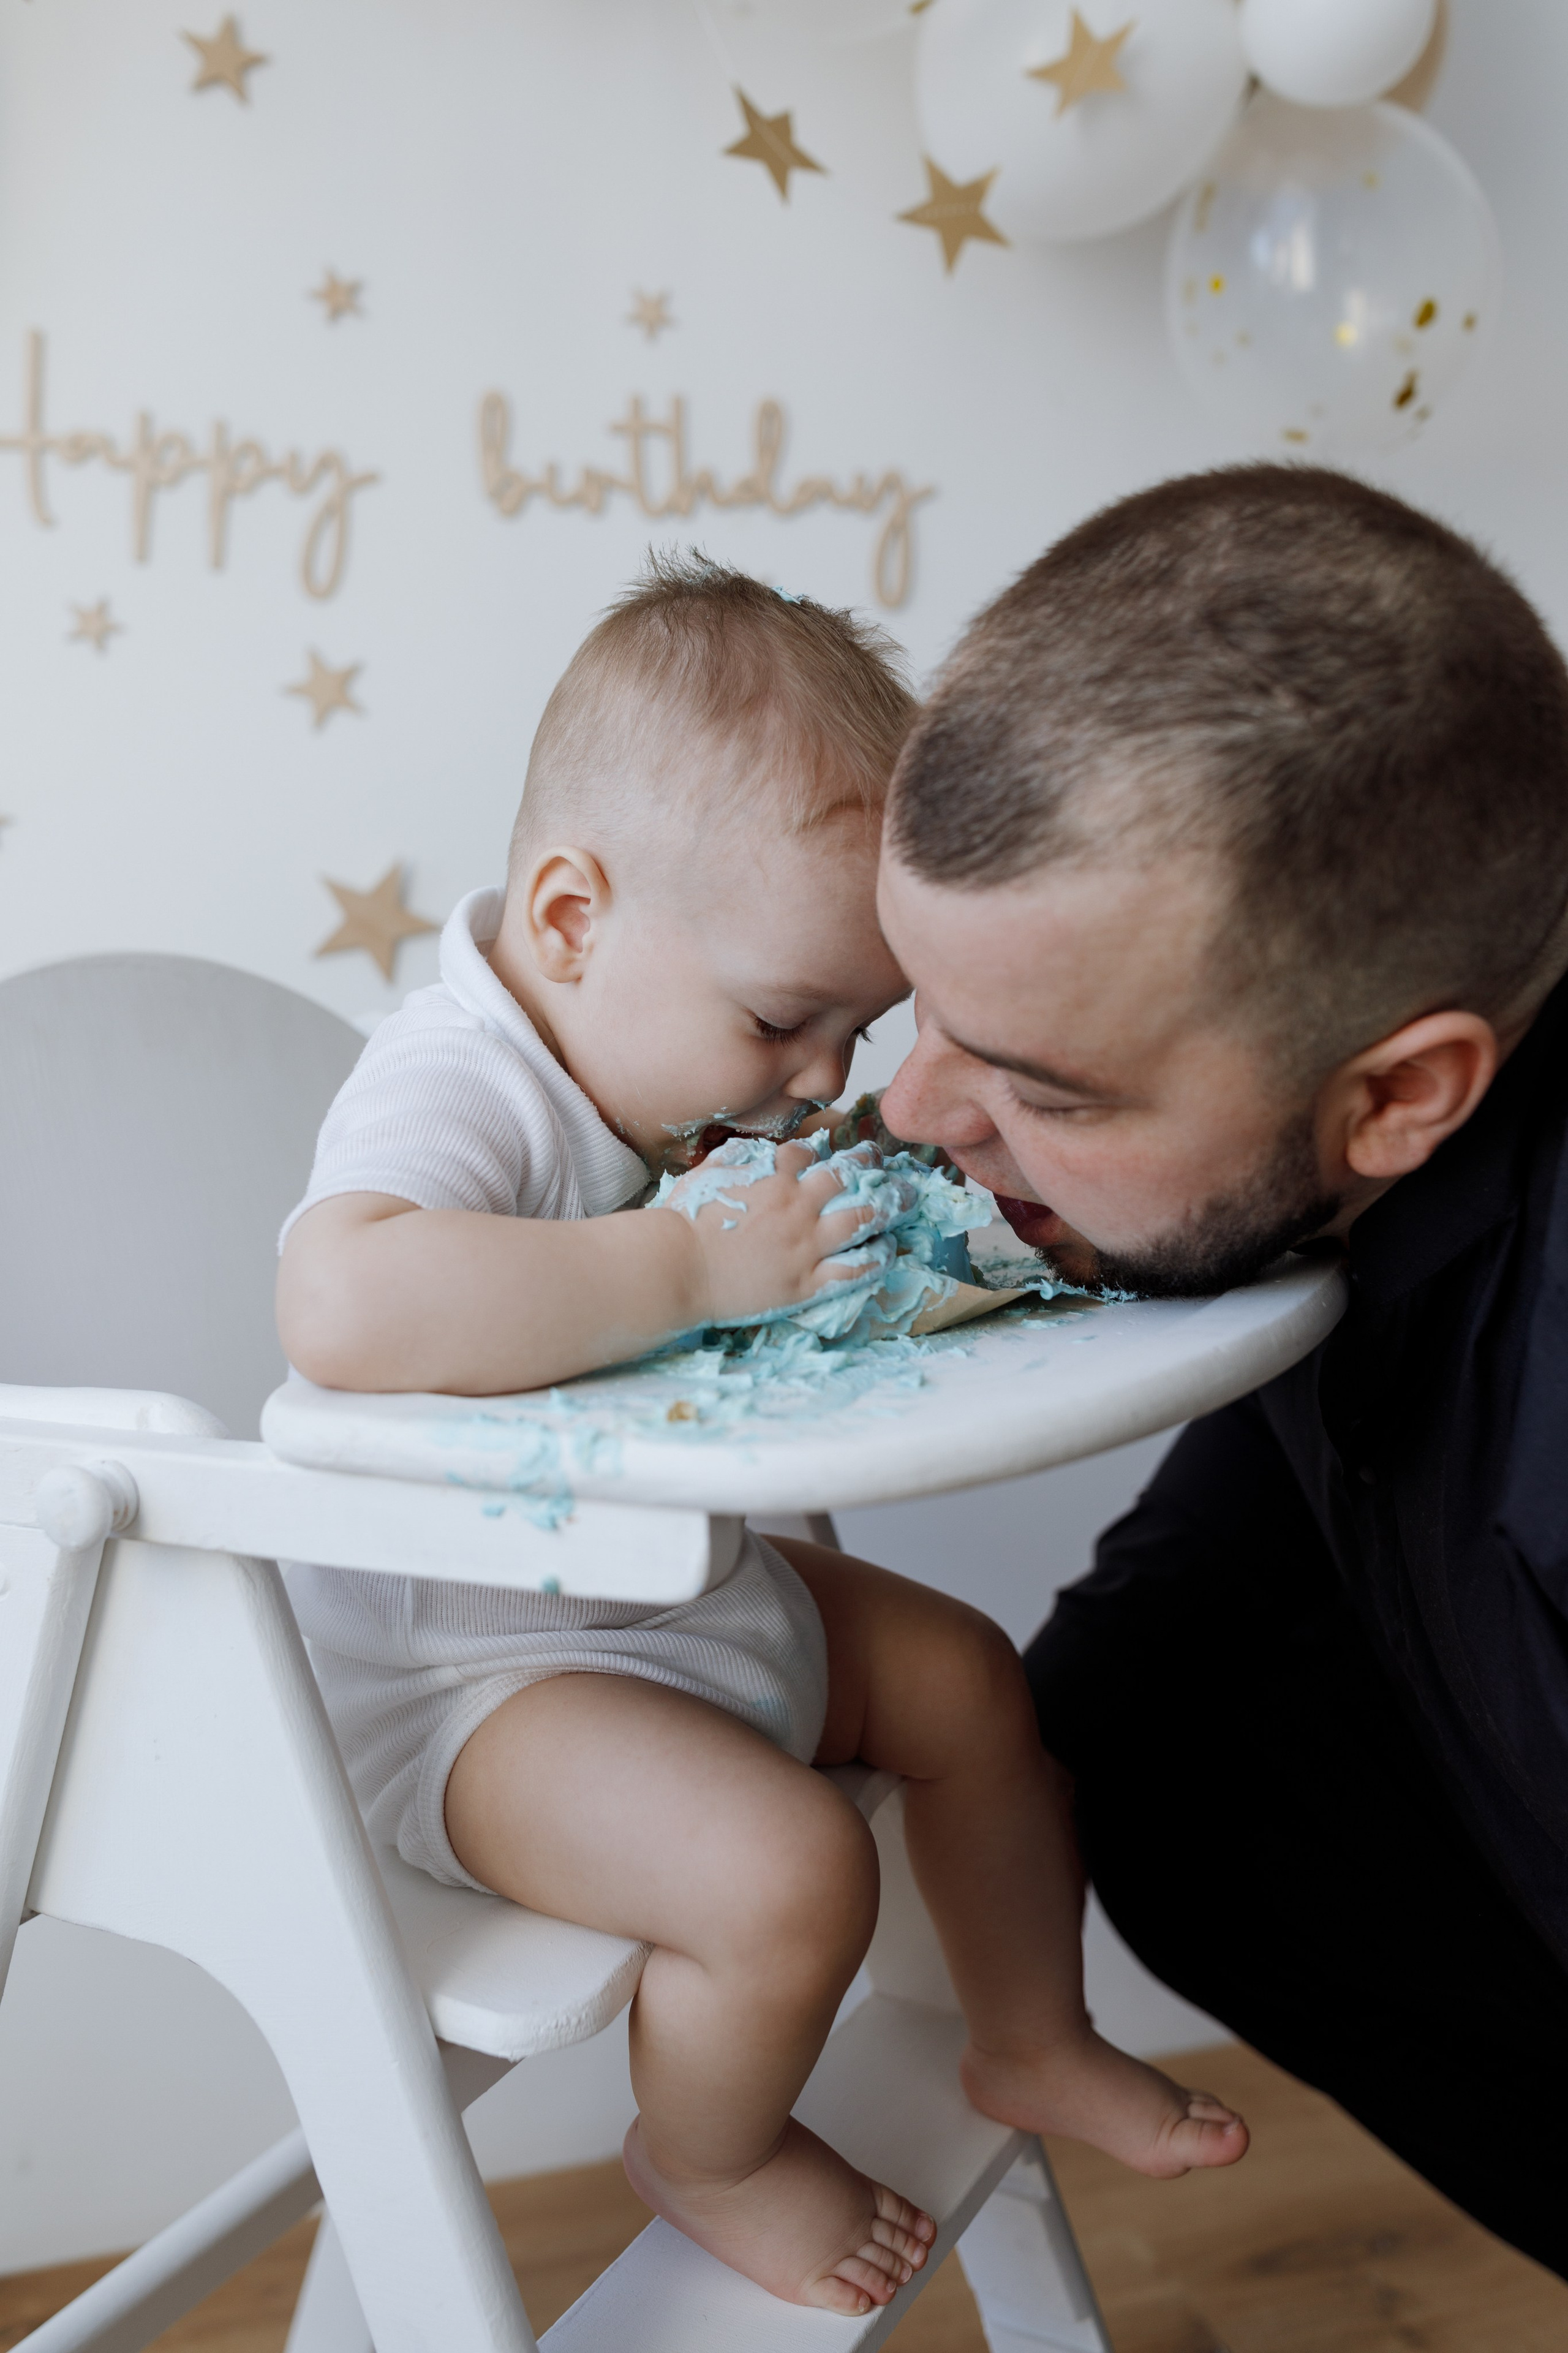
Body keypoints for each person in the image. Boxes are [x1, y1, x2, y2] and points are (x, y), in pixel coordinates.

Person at [276, 556, 1246, 2322]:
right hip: (470, 1687)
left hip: (667, 1590)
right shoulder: (463, 1082)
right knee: (790, 1870)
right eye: (782, 1020)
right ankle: (709, 2152)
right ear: (571, 917)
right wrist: (680, 1268)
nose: (818, 1077)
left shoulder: (668, 1084)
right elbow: (342, 1304)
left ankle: (1029, 2034)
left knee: (971, 1683)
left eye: (853, 1030)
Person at [875, 463, 1568, 2278]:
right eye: (921, 1005)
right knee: (1125, 1718)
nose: (918, 1110)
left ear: (1401, 1095)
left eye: (1048, 1088)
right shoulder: (1345, 1155)